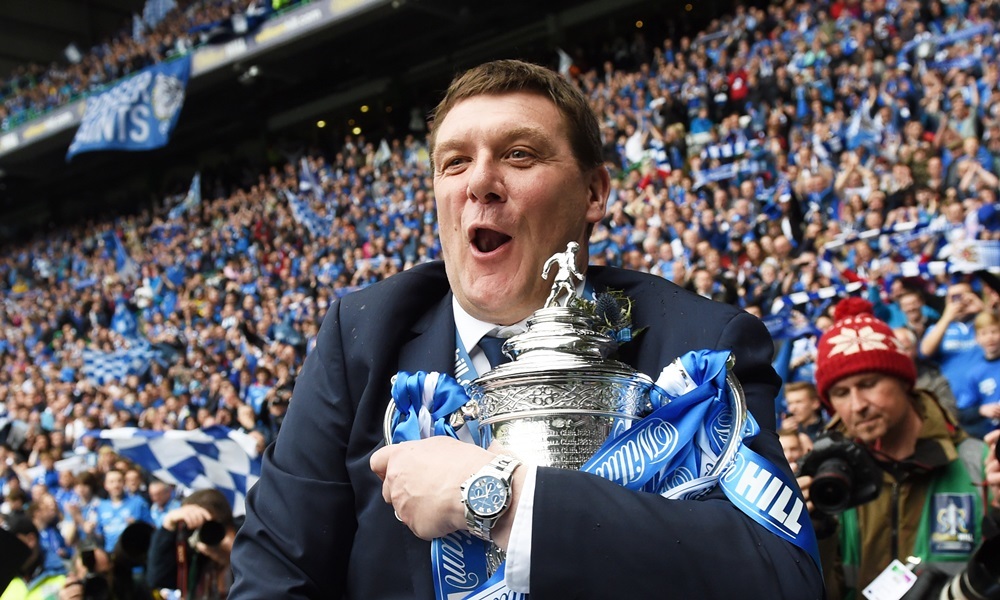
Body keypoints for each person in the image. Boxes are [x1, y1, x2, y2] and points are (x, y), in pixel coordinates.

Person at [230, 59, 822, 598]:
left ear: (594, 193)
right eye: (454, 162)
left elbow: (779, 576)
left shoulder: (700, 342)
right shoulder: (361, 336)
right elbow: (276, 574)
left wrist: (503, 500)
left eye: (519, 155)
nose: (478, 183)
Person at [804, 297, 990, 598]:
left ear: (904, 381)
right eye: (840, 393)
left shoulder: (977, 463)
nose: (857, 406)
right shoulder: (828, 485)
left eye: (868, 383)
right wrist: (814, 534)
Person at [146, 489, 236, 600]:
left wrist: (230, 556)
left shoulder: (246, 545)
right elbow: (158, 578)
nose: (203, 534)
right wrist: (167, 527)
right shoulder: (196, 554)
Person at [952, 310, 1000, 439]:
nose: (990, 337)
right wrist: (982, 410)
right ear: (977, 338)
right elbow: (963, 413)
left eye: (994, 332)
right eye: (983, 333)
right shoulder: (975, 373)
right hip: (992, 433)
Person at [0, 513, 67, 600]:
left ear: (31, 540)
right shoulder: (5, 579)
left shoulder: (62, 574)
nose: (6, 550)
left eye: (11, 543)